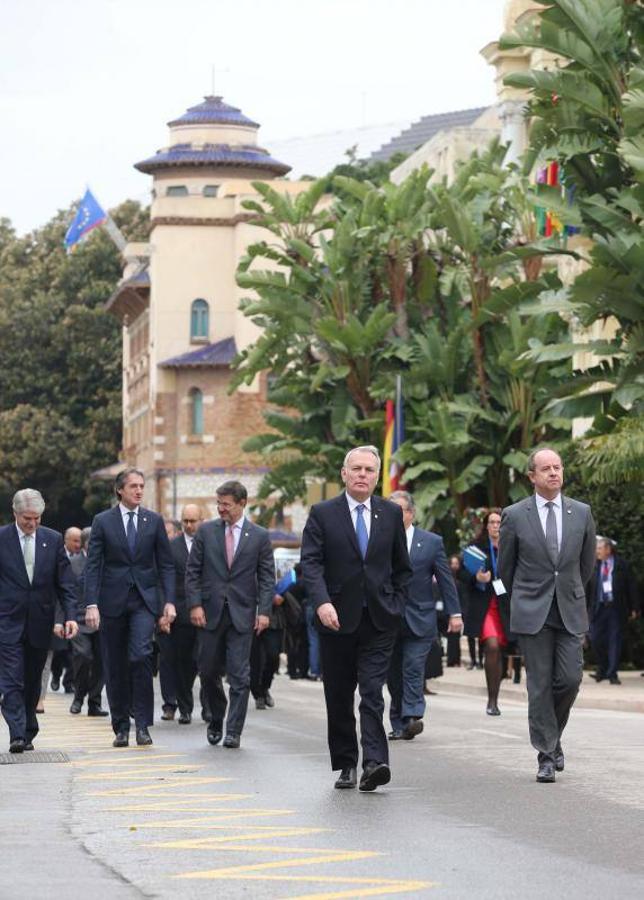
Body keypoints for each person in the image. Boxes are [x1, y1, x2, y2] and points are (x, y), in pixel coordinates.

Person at [301, 445, 412, 792]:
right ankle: (346, 763)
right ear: (344, 474)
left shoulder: (390, 515)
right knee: (338, 694)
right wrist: (322, 603)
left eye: (369, 470)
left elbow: (402, 569)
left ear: (377, 477)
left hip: (379, 620)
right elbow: (311, 564)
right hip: (335, 620)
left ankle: (375, 762)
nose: (363, 474)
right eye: (357, 469)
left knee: (372, 693)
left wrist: (396, 604)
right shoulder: (322, 513)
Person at [498, 447, 596, 783]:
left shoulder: (581, 513)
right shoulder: (514, 515)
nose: (554, 473)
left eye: (558, 467)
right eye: (546, 468)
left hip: (569, 608)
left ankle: (552, 738)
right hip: (531, 611)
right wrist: (517, 603)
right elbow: (504, 571)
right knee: (539, 685)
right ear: (532, 476)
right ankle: (546, 754)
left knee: (570, 679)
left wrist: (568, 591)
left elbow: (586, 566)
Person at [84, 467, 176, 748]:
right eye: (133, 486)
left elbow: (166, 564)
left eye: (141, 486)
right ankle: (121, 726)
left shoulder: (154, 521)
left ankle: (143, 725)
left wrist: (168, 601)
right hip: (111, 603)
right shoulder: (103, 521)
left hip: (143, 602)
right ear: (120, 490)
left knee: (140, 656)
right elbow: (93, 565)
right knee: (114, 665)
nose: (139, 490)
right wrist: (91, 603)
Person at [185, 480, 275, 749]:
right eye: (218, 504)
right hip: (210, 613)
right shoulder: (206, 532)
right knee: (208, 671)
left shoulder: (258, 536)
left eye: (226, 504)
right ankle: (215, 717)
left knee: (240, 675)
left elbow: (267, 577)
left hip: (243, 614)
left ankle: (234, 730)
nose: (220, 509)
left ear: (242, 503)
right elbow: (192, 572)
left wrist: (265, 611)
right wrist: (195, 605)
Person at [0, 489, 78, 752]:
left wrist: (70, 616)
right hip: (7, 622)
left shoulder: (53, 540)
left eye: (36, 518)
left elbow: (65, 583)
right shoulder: (2, 539)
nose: (32, 524)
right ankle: (16, 733)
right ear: (15, 514)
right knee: (12, 679)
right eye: (26, 519)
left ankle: (28, 726)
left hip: (40, 622)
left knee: (33, 679)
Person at [386, 490, 461, 740]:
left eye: (400, 512)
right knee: (394, 673)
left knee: (413, 667)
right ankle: (398, 723)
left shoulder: (431, 542)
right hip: (388, 617)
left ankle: (412, 716)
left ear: (411, 513)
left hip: (421, 618)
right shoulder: (377, 541)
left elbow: (445, 580)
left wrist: (455, 613)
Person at [158, 504, 204, 724]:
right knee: (182, 662)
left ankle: (211, 708)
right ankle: (184, 707)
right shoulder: (171, 547)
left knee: (204, 662)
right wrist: (164, 610)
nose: (188, 525)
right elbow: (163, 580)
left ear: (201, 521)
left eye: (193, 521)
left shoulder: (210, 544)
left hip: (206, 613)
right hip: (180, 614)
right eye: (185, 521)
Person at [464, 509, 511, 716]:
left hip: (507, 606)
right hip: (485, 606)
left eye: (498, 522)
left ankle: (496, 694)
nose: (495, 526)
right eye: (491, 522)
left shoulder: (512, 546)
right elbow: (462, 574)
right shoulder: (476, 547)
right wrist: (477, 578)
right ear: (486, 525)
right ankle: (492, 701)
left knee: (501, 651)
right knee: (492, 646)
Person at [587, 538, 639, 685]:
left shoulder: (622, 565)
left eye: (599, 549)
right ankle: (603, 668)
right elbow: (587, 589)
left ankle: (612, 673)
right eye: (596, 549)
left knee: (615, 641)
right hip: (598, 608)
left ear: (608, 550)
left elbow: (631, 587)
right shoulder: (593, 566)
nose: (597, 552)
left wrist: (634, 607)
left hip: (616, 608)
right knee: (595, 639)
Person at [69, 526, 108, 716]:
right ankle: (78, 697)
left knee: (101, 661)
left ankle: (95, 702)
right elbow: (66, 592)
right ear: (86, 544)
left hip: (103, 619)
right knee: (83, 657)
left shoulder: (107, 562)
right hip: (80, 619)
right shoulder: (73, 563)